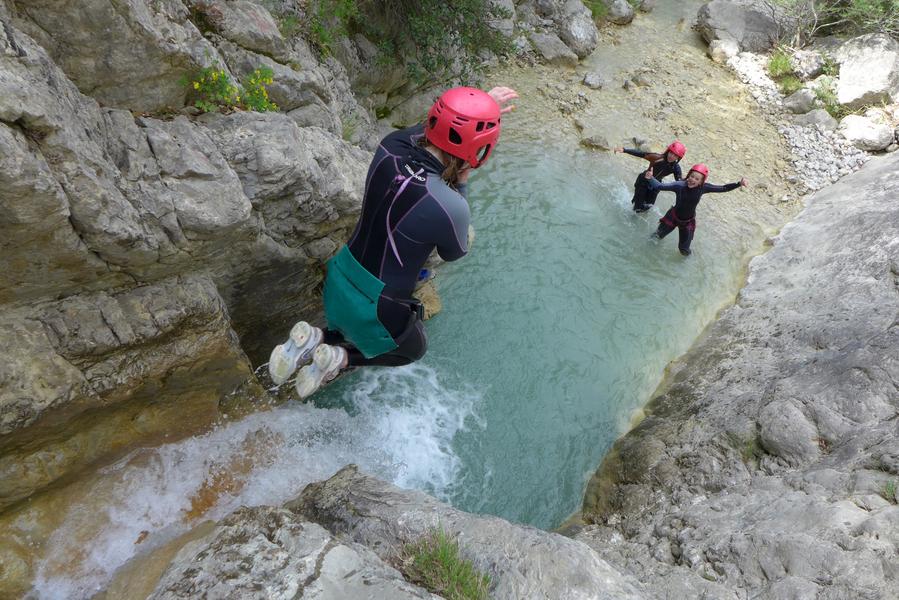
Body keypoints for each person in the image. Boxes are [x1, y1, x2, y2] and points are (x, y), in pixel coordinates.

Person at [268, 85, 519, 398]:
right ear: (479, 151)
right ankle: (339, 358)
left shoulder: (391, 145)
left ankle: (314, 338)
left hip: (339, 275)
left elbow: (428, 132)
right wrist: (463, 184)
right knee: (413, 348)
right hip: (377, 305)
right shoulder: (451, 205)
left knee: (355, 318)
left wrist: (479, 107)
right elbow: (455, 252)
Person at [644, 163, 748, 256]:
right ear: (688, 175)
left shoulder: (703, 188)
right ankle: (646, 252)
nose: (692, 180)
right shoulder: (679, 185)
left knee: (684, 250)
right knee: (655, 237)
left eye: (697, 179)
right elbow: (660, 186)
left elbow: (723, 188)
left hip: (688, 222)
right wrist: (650, 178)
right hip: (673, 217)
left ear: (701, 181)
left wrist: (739, 184)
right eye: (692, 176)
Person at [614, 141, 686, 212]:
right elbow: (641, 154)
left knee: (648, 206)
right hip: (643, 181)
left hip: (656, 185)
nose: (671, 156)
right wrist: (625, 150)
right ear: (668, 151)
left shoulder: (676, 168)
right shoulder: (657, 157)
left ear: (678, 158)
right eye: (671, 153)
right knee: (637, 207)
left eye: (675, 155)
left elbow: (680, 183)